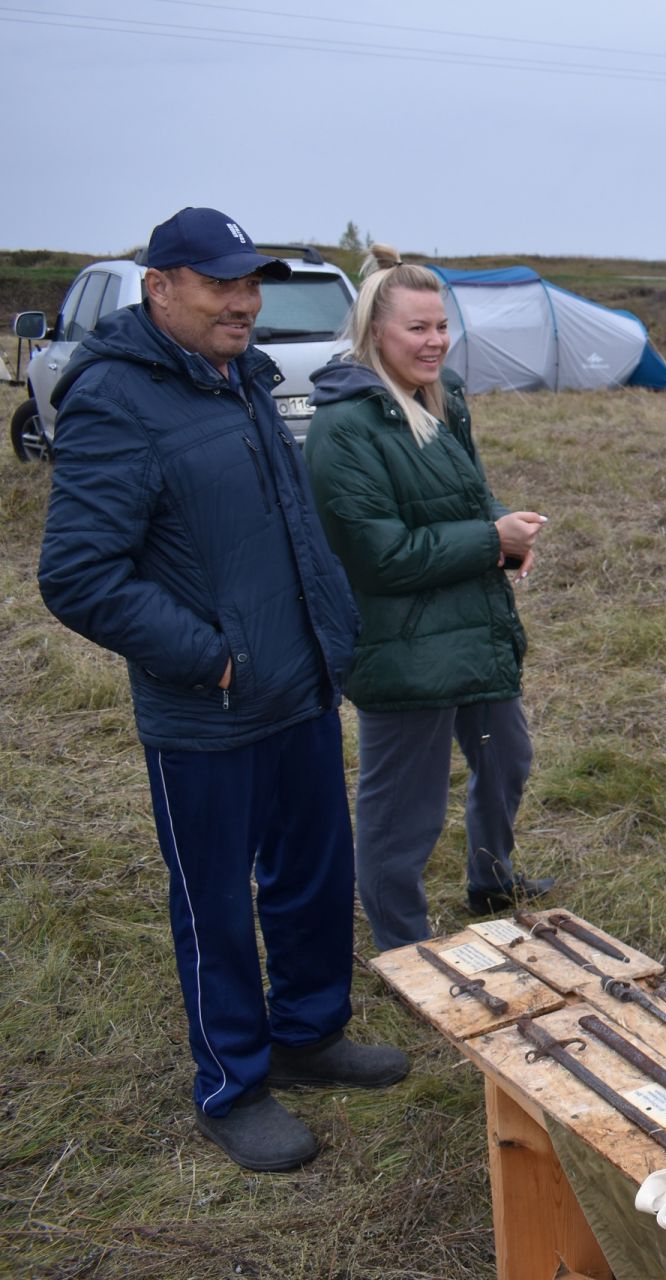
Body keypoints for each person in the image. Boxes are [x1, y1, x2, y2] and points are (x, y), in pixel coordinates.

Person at [37, 207, 409, 1173]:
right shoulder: (116, 398)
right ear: (160, 287)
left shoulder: (239, 378)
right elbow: (77, 575)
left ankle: (310, 1033)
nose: (244, 302)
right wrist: (212, 658)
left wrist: (326, 633)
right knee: (214, 902)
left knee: (313, 879)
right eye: (220, 284)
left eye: (252, 284)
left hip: (300, 690)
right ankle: (232, 1082)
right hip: (208, 711)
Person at [304, 264, 555, 953]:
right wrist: (488, 540)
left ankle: (491, 880)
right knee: (401, 811)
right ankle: (403, 947)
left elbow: (466, 501)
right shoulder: (345, 428)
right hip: (402, 646)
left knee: (508, 758)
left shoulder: (440, 400)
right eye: (417, 327)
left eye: (442, 325)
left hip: (471, 628)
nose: (435, 340)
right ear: (374, 331)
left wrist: (505, 535)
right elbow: (377, 557)